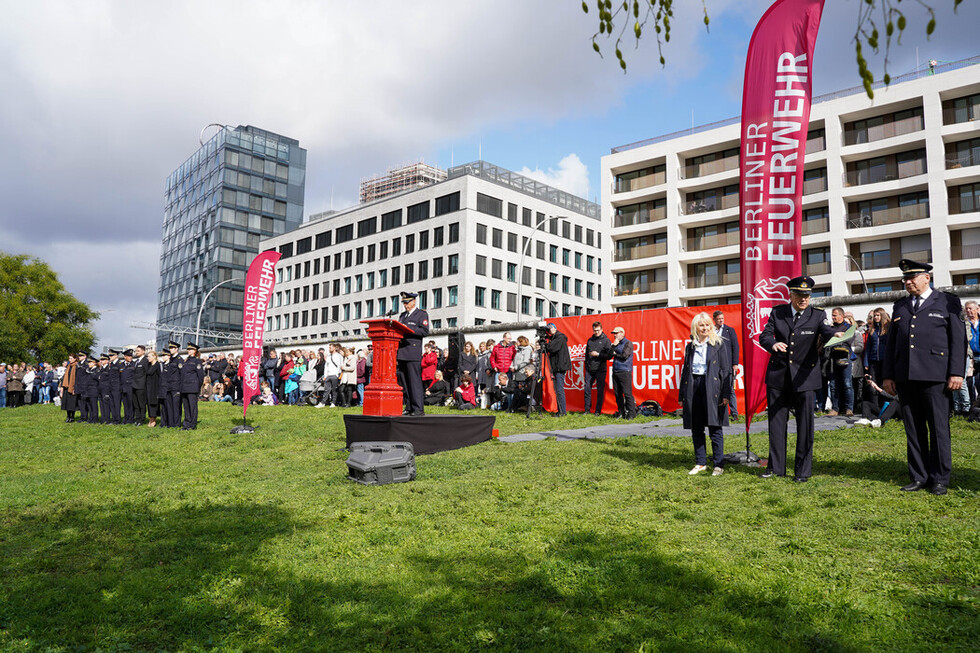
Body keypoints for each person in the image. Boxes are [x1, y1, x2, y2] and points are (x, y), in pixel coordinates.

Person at [883, 259, 966, 496]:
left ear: (926, 278)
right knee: (914, 428)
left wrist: (957, 372)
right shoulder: (900, 306)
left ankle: (940, 478)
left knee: (938, 428)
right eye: (905, 279)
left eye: (912, 278)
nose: (908, 282)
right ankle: (919, 476)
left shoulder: (947, 302)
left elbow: (958, 340)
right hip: (906, 376)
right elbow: (891, 345)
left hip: (936, 375)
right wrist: (888, 375)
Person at [759, 276, 840, 483]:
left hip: (806, 377)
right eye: (799, 295)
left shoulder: (817, 315)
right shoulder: (778, 313)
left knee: (805, 426)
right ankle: (776, 468)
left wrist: (839, 334)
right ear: (791, 295)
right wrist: (773, 344)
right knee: (776, 425)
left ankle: (802, 471)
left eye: (807, 295)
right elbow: (765, 336)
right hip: (779, 377)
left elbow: (828, 332)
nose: (804, 299)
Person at [679, 313, 732, 475]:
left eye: (708, 325)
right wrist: (682, 395)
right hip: (693, 387)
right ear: (696, 327)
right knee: (696, 427)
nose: (705, 328)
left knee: (715, 427)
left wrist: (725, 393)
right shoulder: (691, 346)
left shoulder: (719, 344)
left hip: (713, 387)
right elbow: (685, 371)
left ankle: (718, 464)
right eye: (702, 325)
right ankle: (700, 462)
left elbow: (726, 370)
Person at [396, 291, 429, 416]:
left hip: (413, 351)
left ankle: (418, 408)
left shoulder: (421, 314)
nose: (405, 305)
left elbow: (424, 331)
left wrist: (409, 329)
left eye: (407, 302)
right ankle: (409, 406)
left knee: (414, 381)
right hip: (402, 351)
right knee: (405, 382)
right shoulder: (403, 316)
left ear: (414, 301)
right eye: (404, 303)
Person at [825, 307, 855, 417]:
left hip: (845, 357)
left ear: (841, 316)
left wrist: (840, 337)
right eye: (832, 315)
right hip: (832, 358)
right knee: (833, 385)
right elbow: (825, 338)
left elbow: (850, 340)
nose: (833, 317)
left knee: (847, 384)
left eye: (835, 315)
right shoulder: (830, 328)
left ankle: (849, 408)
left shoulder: (849, 327)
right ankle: (835, 408)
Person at [713, 310, 740, 419]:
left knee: (729, 388)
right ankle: (717, 413)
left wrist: (735, 363)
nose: (721, 321)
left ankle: (734, 413)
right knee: (715, 388)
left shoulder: (730, 330)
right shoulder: (711, 331)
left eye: (722, 319)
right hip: (715, 365)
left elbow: (735, 347)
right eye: (719, 319)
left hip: (727, 365)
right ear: (714, 320)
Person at [584, 321, 612, 415]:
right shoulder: (590, 340)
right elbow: (586, 355)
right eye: (595, 330)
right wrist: (586, 365)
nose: (596, 332)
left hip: (600, 369)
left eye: (598, 330)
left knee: (600, 390)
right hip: (589, 369)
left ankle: (597, 411)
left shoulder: (606, 340)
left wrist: (598, 354)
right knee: (587, 389)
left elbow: (609, 355)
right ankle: (587, 410)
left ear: (602, 329)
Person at [610, 326, 637, 419]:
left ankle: (631, 413)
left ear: (622, 333)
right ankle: (621, 412)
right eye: (614, 333)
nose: (615, 335)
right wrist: (613, 346)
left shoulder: (628, 343)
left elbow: (624, 355)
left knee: (627, 393)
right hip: (616, 370)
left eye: (616, 333)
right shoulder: (615, 344)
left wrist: (615, 353)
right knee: (617, 393)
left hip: (625, 371)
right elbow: (609, 355)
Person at [543, 323, 570, 417]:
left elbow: (552, 348)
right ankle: (560, 411)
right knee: (557, 390)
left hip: (560, 367)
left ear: (554, 328)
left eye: (550, 329)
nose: (549, 331)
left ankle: (562, 412)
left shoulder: (560, 337)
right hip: (556, 367)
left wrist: (545, 344)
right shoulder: (554, 338)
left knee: (559, 390)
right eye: (548, 330)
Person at [179, 342, 206, 430]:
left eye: (191, 349)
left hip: (192, 388)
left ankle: (192, 424)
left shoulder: (197, 361)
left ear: (195, 351)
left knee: (192, 407)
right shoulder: (185, 361)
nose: (189, 351)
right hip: (184, 387)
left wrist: (196, 387)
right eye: (188, 349)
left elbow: (200, 376)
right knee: (186, 407)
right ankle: (186, 423)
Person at [965, 300, 980, 404]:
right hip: (970, 357)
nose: (968, 311)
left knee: (979, 381)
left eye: (970, 308)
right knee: (970, 382)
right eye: (966, 309)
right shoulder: (965, 324)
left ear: (977, 309)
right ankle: (972, 405)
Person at [132, 345, 150, 425]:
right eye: (136, 351)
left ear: (143, 351)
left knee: (141, 404)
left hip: (141, 386)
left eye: (138, 351)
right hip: (134, 385)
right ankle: (137, 418)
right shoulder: (136, 361)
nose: (136, 352)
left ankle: (141, 420)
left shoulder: (145, 361)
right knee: (136, 404)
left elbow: (147, 373)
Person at [60, 354, 78, 422]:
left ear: (75, 359)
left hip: (72, 387)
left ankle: (72, 417)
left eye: (71, 358)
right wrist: (62, 386)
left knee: (72, 403)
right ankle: (68, 416)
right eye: (69, 358)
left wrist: (75, 388)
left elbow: (77, 378)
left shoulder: (76, 366)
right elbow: (64, 377)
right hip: (67, 387)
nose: (69, 360)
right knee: (67, 403)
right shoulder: (68, 367)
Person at [145, 350, 160, 427]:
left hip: (155, 387)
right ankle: (150, 418)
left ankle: (153, 419)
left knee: (154, 403)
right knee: (149, 403)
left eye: (150, 356)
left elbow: (160, 377)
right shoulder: (149, 365)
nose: (148, 358)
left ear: (154, 356)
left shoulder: (158, 365)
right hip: (148, 387)